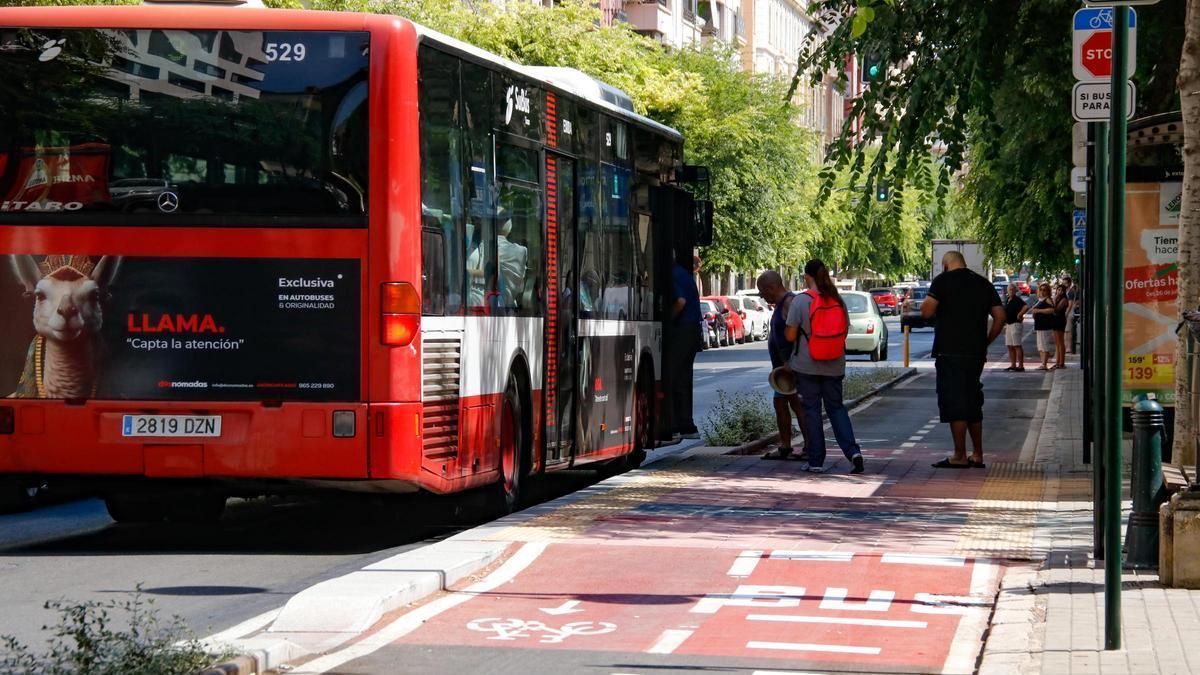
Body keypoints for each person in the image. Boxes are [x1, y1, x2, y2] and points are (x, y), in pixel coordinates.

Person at [921, 250, 1005, 469]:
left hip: (949, 352)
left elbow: (927, 312)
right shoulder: (983, 283)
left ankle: (959, 455)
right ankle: (977, 454)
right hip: (975, 354)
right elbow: (1000, 316)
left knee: (955, 402)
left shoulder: (942, 281)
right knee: (973, 401)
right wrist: (986, 341)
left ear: (946, 265)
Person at [784, 259, 864, 474]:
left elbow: (790, 335)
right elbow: (844, 333)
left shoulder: (801, 301)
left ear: (806, 276)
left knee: (812, 411)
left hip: (807, 365)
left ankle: (816, 461)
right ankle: (853, 453)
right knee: (836, 408)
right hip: (834, 364)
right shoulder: (837, 300)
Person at [755, 270, 812, 461]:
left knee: (798, 405)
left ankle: (810, 446)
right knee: (780, 404)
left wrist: (792, 360)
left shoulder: (790, 302)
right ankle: (786, 446)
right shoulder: (781, 304)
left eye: (763, 292)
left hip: (792, 368)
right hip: (781, 369)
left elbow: (801, 333)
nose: (762, 296)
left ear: (771, 287)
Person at [666, 252, 702, 439]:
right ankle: (686, 424)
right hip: (693, 329)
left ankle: (672, 424)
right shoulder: (683, 273)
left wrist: (668, 321)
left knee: (670, 376)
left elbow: (680, 301)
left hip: (682, 329)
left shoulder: (672, 274)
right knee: (683, 377)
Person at [1003, 282, 1028, 372]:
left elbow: (1026, 306)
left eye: (1012, 289)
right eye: (1009, 289)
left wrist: (1020, 314)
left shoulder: (1017, 299)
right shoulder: (1008, 299)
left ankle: (1021, 366)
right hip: (1009, 324)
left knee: (1017, 345)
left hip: (1015, 324)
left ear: (1015, 290)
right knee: (1010, 345)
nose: (1011, 291)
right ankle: (1013, 365)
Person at [1030, 283, 1055, 370]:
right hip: (1039, 325)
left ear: (1048, 291)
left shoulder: (1048, 299)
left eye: (1044, 290)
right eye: (1041, 289)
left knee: (1044, 345)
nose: (1042, 291)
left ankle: (1044, 364)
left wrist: (1038, 311)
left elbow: (1052, 310)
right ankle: (1042, 364)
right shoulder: (1040, 300)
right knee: (1040, 346)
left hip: (1045, 326)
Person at [1051, 284, 1068, 368]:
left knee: (1060, 342)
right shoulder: (1056, 298)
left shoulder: (1064, 299)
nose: (1059, 291)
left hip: (1060, 320)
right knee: (1057, 343)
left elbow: (1055, 309)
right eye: (1058, 289)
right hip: (1054, 320)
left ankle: (1062, 363)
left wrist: (1055, 298)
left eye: (1061, 290)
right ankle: (1057, 362)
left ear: (1064, 291)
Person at [1063, 275, 1078, 354]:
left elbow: (1070, 304)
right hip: (1067, 313)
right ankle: (1066, 346)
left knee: (1068, 331)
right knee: (1066, 331)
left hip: (1069, 313)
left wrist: (1066, 313)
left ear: (1069, 283)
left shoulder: (1070, 292)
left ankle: (1068, 347)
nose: (1064, 285)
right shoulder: (1067, 292)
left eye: (1066, 283)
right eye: (1063, 283)